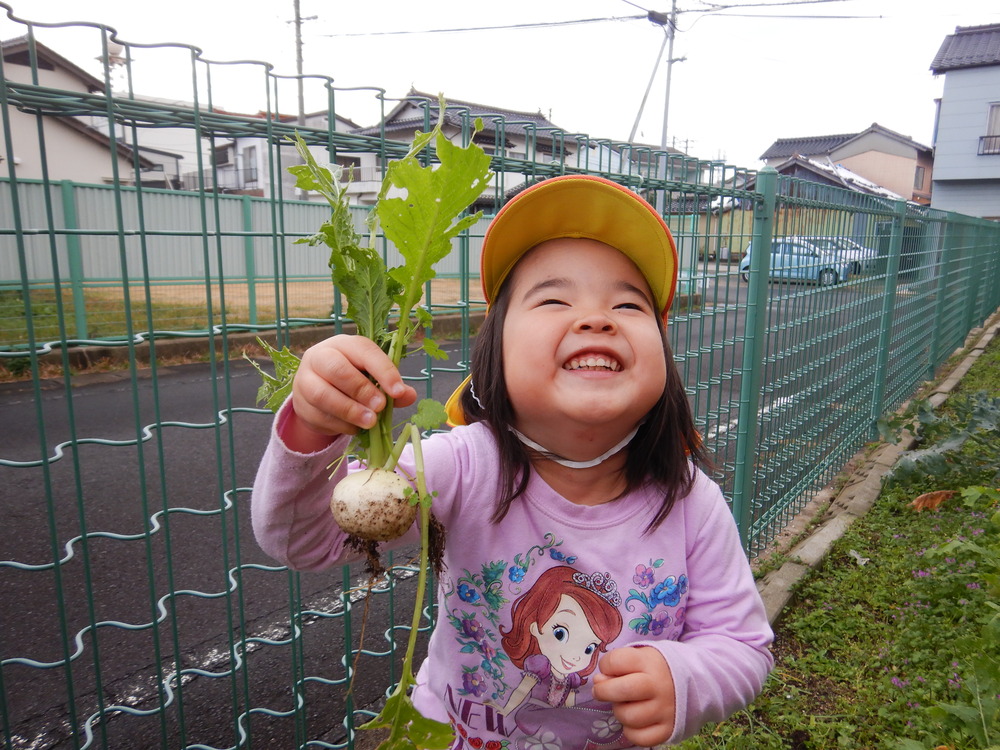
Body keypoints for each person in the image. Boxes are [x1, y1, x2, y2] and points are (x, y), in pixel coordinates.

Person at [252, 174, 774, 749]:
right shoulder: (461, 467)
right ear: (493, 354)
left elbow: (743, 646)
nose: (597, 318)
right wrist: (310, 425)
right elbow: (300, 541)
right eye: (553, 299)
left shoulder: (691, 503)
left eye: (629, 304)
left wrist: (687, 679)